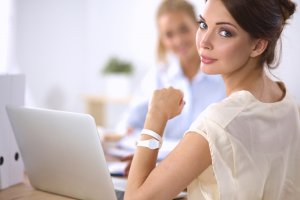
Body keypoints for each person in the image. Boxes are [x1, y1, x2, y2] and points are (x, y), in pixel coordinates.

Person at [124, 0, 300, 199]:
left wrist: (156, 114)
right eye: (203, 25)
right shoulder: (289, 103)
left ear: (258, 45)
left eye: (225, 32)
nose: (204, 42)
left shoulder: (218, 122)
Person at [116, 0, 225, 150]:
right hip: (159, 164)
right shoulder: (157, 76)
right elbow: (127, 127)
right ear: (162, 40)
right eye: (169, 34)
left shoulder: (223, 78)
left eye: (184, 29)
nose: (178, 40)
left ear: (198, 26)